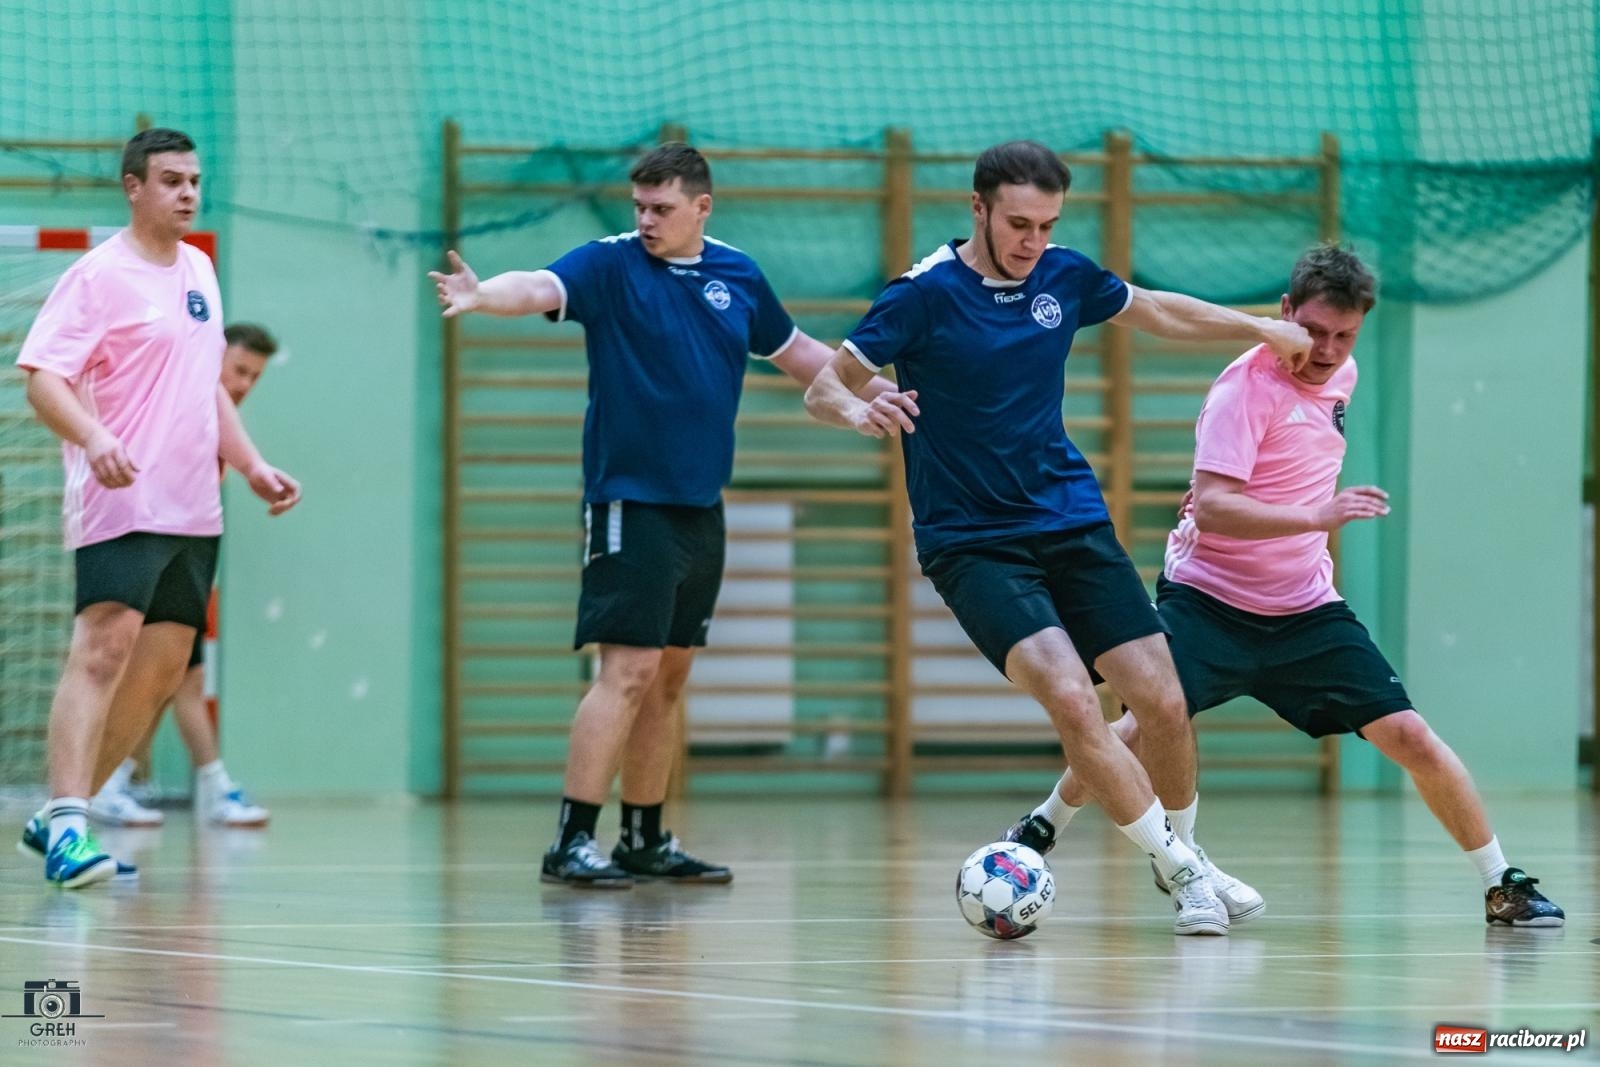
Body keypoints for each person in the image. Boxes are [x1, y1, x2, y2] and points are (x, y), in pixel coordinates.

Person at [803, 141, 1314, 935]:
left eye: (1046, 225)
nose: (1032, 241)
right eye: (1017, 223)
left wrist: (1255, 327)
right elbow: (822, 383)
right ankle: (1186, 874)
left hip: (1071, 519)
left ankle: (1186, 855)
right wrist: (858, 410)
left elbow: (1157, 309)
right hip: (972, 541)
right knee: (1074, 698)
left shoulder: (1063, 275)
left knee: (1165, 701)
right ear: (976, 209)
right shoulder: (922, 296)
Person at [1009, 245, 1564, 927]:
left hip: (1304, 607)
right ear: (1284, 314)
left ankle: (1502, 881)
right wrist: (1317, 515)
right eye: (1315, 330)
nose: (1328, 349)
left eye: (1344, 335)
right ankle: (1056, 829)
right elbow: (1211, 505)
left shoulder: (1344, 374)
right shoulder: (1245, 389)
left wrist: (1310, 525)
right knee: (1140, 724)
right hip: (1208, 597)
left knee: (1411, 735)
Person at [430, 143, 902, 888]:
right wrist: (485, 293)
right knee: (626, 670)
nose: (646, 220)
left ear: (701, 208)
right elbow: (540, 283)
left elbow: (799, 350)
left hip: (700, 504)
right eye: (639, 207)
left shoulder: (737, 274)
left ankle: (644, 837)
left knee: (670, 678)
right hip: (630, 499)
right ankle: (571, 838)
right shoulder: (610, 264)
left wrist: (871, 389)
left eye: (662, 208)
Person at [14, 128, 300, 887]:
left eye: (195, 181)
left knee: (166, 665)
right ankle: (74, 822)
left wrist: (252, 463)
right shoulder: (97, 276)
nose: (187, 193)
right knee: (103, 648)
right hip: (121, 495)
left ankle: (56, 819)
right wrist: (93, 435)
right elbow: (43, 376)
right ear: (133, 187)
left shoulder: (201, 268)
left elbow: (207, 387)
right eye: (171, 180)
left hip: (193, 506)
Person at [90, 323, 280, 829]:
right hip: (147, 542)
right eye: (239, 370)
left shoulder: (220, 420)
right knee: (173, 677)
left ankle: (118, 781)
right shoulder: (176, 400)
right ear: (212, 355)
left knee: (168, 677)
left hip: (187, 552)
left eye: (254, 377)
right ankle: (200, 786)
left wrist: (255, 469)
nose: (243, 384)